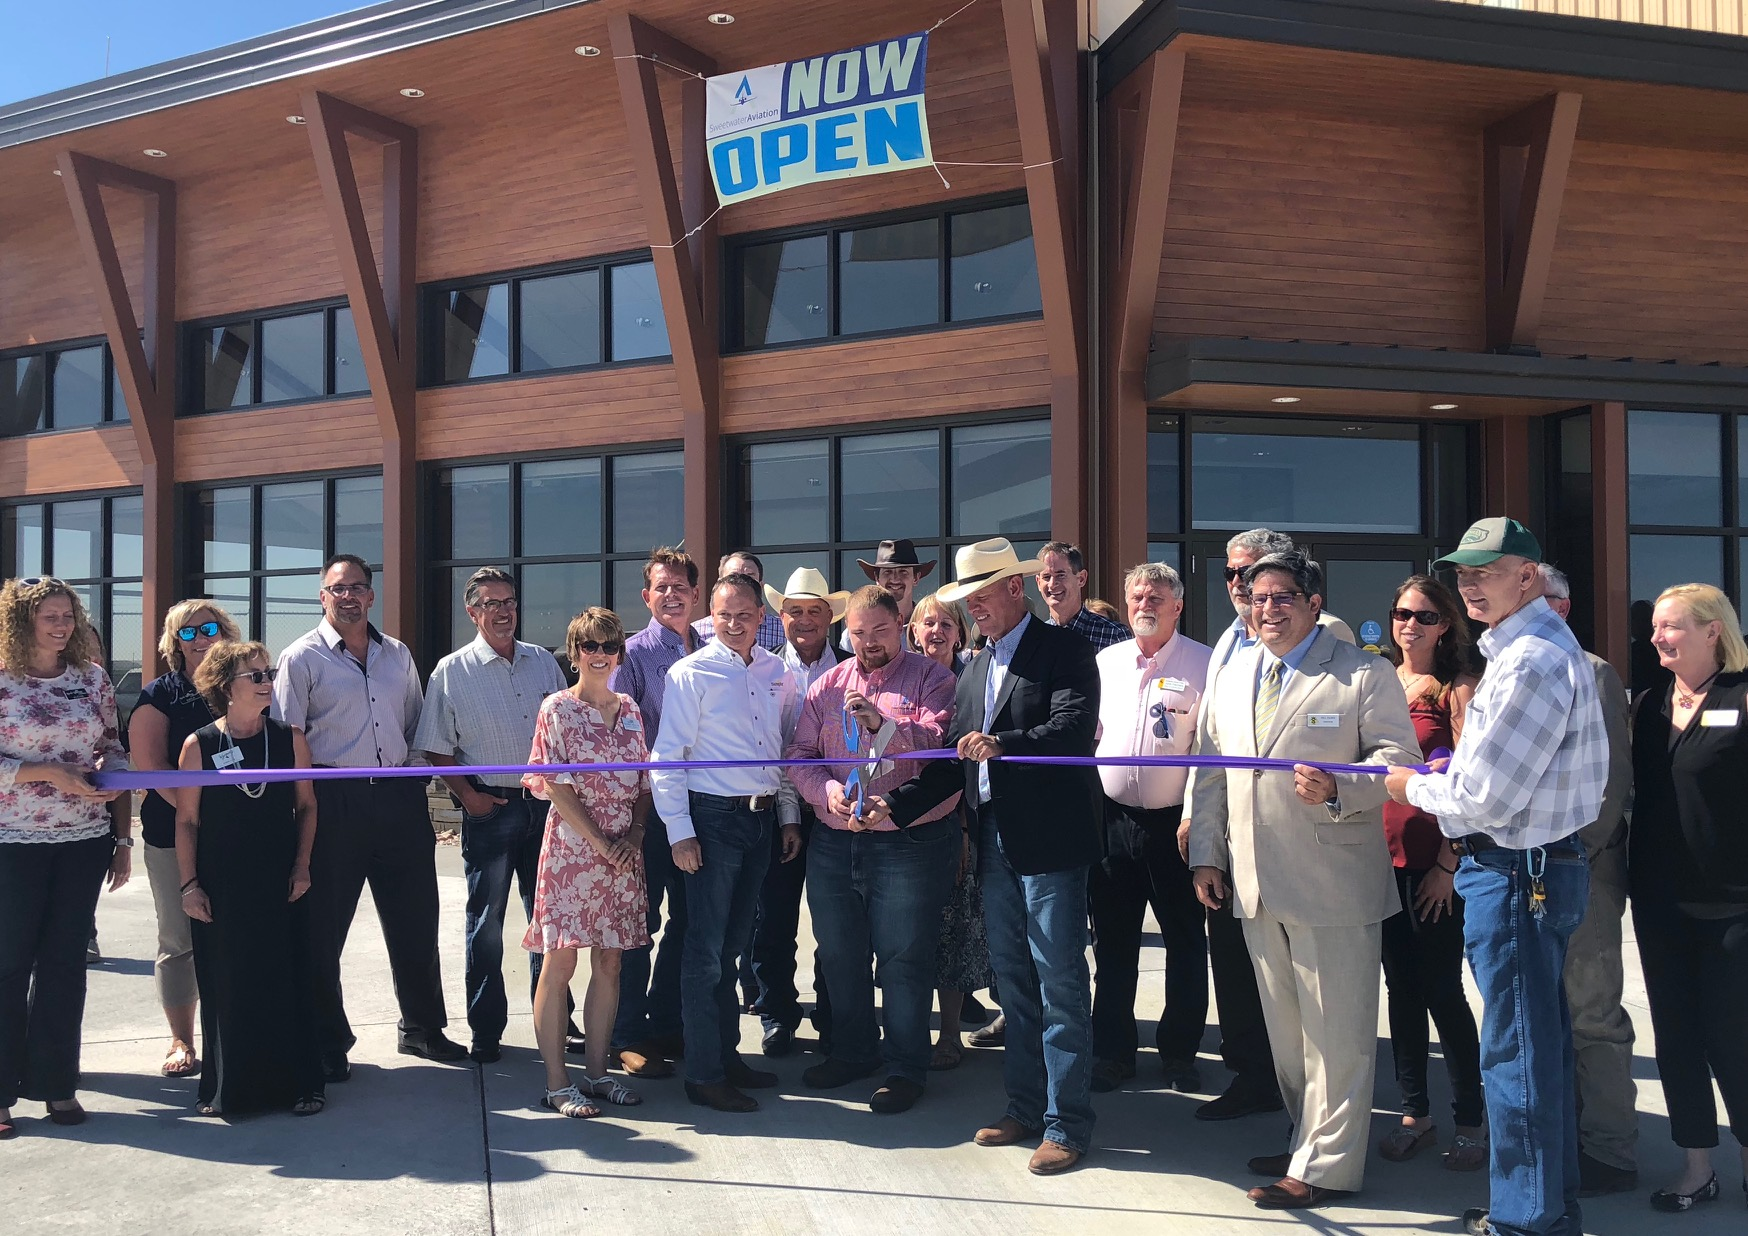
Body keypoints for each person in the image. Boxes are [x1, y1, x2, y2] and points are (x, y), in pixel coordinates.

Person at [1385, 517, 1608, 1236]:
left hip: (1514, 871)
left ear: (1530, 576)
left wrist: (1405, 786)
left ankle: (1524, 1221)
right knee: (1533, 1048)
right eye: (1463, 572)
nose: (1470, 584)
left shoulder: (1530, 660)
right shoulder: (1527, 650)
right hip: (1528, 866)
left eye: (1487, 569)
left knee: (1516, 1056)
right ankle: (1545, 1209)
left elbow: (1483, 801)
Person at [1190, 550, 1419, 1210]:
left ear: (1315, 603)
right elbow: (1211, 770)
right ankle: (1310, 1139)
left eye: (1283, 596)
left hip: (1333, 882)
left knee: (1337, 1035)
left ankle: (1325, 1166)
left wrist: (1339, 787)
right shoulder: (1232, 678)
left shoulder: (1362, 674)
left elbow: (1396, 762)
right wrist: (1207, 852)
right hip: (1256, 882)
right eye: (1258, 597)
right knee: (1288, 1037)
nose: (1268, 609)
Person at [869, 537, 1101, 1177]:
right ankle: (1025, 1107)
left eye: (982, 594)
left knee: (1058, 981)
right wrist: (896, 803)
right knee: (1014, 982)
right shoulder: (973, 669)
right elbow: (953, 763)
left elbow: (1073, 731)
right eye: (966, 597)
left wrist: (1004, 743)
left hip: (1050, 843)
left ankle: (1066, 1122)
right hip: (994, 840)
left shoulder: (1067, 649)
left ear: (1014, 589)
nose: (975, 606)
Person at [272, 553, 463, 1081]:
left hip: (398, 802)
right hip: (334, 804)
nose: (349, 596)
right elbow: (288, 742)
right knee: (322, 929)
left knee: (415, 920)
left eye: (358, 587)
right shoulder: (301, 658)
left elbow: (413, 724)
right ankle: (326, 1041)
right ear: (322, 597)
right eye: (338, 589)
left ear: (372, 595)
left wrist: (413, 779)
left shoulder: (397, 654)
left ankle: (423, 1028)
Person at [1182, 527, 1351, 1123]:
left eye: (1255, 575)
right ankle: (1254, 1077)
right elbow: (1209, 757)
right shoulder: (1229, 647)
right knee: (1238, 971)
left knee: (1311, 1005)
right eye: (1235, 577)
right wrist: (1201, 840)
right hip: (1233, 849)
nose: (1244, 589)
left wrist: (1339, 790)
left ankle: (1314, 1123)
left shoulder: (1330, 645)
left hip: (1304, 858)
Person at [787, 585, 957, 1114]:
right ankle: (854, 1051)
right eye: (858, 633)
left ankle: (907, 1067)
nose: (868, 642)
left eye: (879, 631)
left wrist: (885, 725)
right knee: (839, 953)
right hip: (836, 841)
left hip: (908, 841)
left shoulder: (934, 678)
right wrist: (827, 793)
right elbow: (801, 755)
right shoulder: (828, 686)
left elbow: (940, 742)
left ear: (901, 625)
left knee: (904, 957)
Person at [651, 573, 802, 1113]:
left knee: (733, 949)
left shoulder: (777, 671)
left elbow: (782, 753)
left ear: (761, 614)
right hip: (711, 821)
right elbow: (666, 756)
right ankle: (705, 1073)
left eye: (744, 614)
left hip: (759, 823)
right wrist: (680, 832)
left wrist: (787, 816)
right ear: (708, 617)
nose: (734, 625)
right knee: (704, 951)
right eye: (723, 615)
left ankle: (726, 1057)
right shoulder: (689, 673)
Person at [415, 566, 570, 1064]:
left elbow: (562, 734)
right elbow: (435, 749)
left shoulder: (543, 662)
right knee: (487, 925)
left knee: (549, 921)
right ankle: (486, 1031)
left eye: (509, 601)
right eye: (492, 604)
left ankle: (557, 1022)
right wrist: (469, 798)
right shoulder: (450, 671)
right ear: (472, 612)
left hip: (544, 807)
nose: (504, 611)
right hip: (491, 808)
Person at [1627, 583, 1748, 1214]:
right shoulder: (1646, 705)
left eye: (1670, 626)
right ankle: (1697, 1167)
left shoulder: (1743, 696)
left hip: (1734, 902)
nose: (1656, 637)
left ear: (1711, 631)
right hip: (1658, 899)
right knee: (1675, 1035)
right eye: (1654, 627)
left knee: (1733, 1034)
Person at [0, 577, 129, 1138]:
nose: (61, 625)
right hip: (12, 842)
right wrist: (50, 772)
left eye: (68, 616)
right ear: (20, 622)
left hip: (82, 839)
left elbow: (114, 747)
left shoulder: (92, 679)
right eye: (49, 616)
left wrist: (112, 789)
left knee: (64, 966)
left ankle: (57, 1084)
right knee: (7, 966)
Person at [175, 640, 323, 1117]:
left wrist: (302, 865)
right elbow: (187, 821)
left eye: (268, 673)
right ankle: (229, 1088)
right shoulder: (199, 745)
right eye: (255, 676)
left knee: (289, 976)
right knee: (229, 981)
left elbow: (306, 805)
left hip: (280, 878)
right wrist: (189, 885)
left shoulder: (289, 738)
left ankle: (301, 1084)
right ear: (225, 687)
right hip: (222, 883)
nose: (267, 682)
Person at [523, 608, 652, 1119]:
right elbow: (554, 783)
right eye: (590, 646)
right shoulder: (556, 708)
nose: (600, 655)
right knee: (561, 961)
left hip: (623, 852)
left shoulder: (632, 710)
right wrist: (600, 841)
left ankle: (598, 1075)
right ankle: (558, 1083)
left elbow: (645, 781)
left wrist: (635, 835)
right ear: (575, 652)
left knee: (611, 960)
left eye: (609, 646)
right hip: (574, 851)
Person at [1377, 575, 1486, 1171]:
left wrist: (1448, 863)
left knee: (1443, 991)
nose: (1409, 625)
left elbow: (1467, 785)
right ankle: (1415, 1112)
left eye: (1422, 615)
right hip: (1381, 859)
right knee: (1401, 992)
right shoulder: (1380, 680)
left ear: (1446, 623)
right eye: (1400, 613)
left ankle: (1470, 1120)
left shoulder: (1458, 688)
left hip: (1434, 864)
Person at [1089, 562, 1211, 1095]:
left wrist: (1193, 817)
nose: (1145, 604)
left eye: (1157, 597)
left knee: (1185, 944)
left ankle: (1179, 1053)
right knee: (1115, 946)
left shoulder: (1205, 664)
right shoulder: (1105, 662)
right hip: (1112, 822)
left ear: (1177, 606)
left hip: (1175, 827)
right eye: (1136, 594)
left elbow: (1209, 752)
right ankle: (1113, 1052)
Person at [1540, 564, 1639, 1197]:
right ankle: (1562, 1138)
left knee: (1593, 1014)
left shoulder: (1591, 672)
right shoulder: (1508, 668)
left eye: (1540, 601)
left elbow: (1612, 781)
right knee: (1544, 1017)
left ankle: (1611, 1152)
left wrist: (1576, 855)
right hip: (1527, 874)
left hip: (1582, 871)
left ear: (1564, 608)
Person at [128, 599, 240, 1080]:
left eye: (209, 628)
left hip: (241, 834)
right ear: (174, 643)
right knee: (180, 939)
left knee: (237, 935)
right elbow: (151, 771)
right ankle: (182, 1039)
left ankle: (237, 1035)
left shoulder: (242, 688)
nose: (201, 639)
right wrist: (202, 815)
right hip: (174, 835)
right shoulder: (159, 696)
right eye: (188, 633)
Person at [608, 546, 700, 1079]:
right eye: (661, 588)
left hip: (702, 810)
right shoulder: (634, 655)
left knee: (689, 925)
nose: (671, 595)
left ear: (695, 594)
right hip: (647, 813)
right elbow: (622, 740)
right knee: (639, 926)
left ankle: (667, 1023)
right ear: (647, 596)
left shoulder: (714, 646)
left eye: (680, 587)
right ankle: (627, 1035)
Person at [745, 568, 844, 1057]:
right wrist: (787, 818)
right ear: (780, 617)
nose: (804, 621)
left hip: (838, 813)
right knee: (774, 921)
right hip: (780, 813)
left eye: (814, 612)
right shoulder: (764, 671)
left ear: (830, 618)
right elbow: (772, 751)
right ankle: (776, 1015)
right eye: (795, 612)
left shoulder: (850, 668)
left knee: (835, 923)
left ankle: (832, 1015)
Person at [909, 594, 994, 1068]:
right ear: (913, 632)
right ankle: (908, 1032)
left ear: (960, 632)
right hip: (900, 821)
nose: (936, 631)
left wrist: (963, 827)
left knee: (953, 932)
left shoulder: (972, 679)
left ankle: (948, 1036)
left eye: (945, 623)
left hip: (957, 823)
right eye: (927, 624)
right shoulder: (899, 677)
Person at [1036, 541, 1130, 650]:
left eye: (1061, 575)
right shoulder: (1035, 639)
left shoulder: (1113, 634)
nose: (1052, 584)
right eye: (1046, 577)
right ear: (1038, 582)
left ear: (1081, 579)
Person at [693, 551, 786, 652]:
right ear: (719, 583)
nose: (741, 583)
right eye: (733, 577)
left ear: (760, 585)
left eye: (750, 577)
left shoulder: (784, 630)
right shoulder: (696, 632)